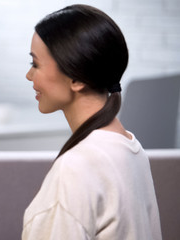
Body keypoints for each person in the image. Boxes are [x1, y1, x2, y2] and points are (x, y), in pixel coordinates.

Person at [22, 4, 161, 240]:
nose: (29, 75)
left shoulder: (76, 168)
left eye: (35, 64)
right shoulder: (131, 149)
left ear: (76, 78)